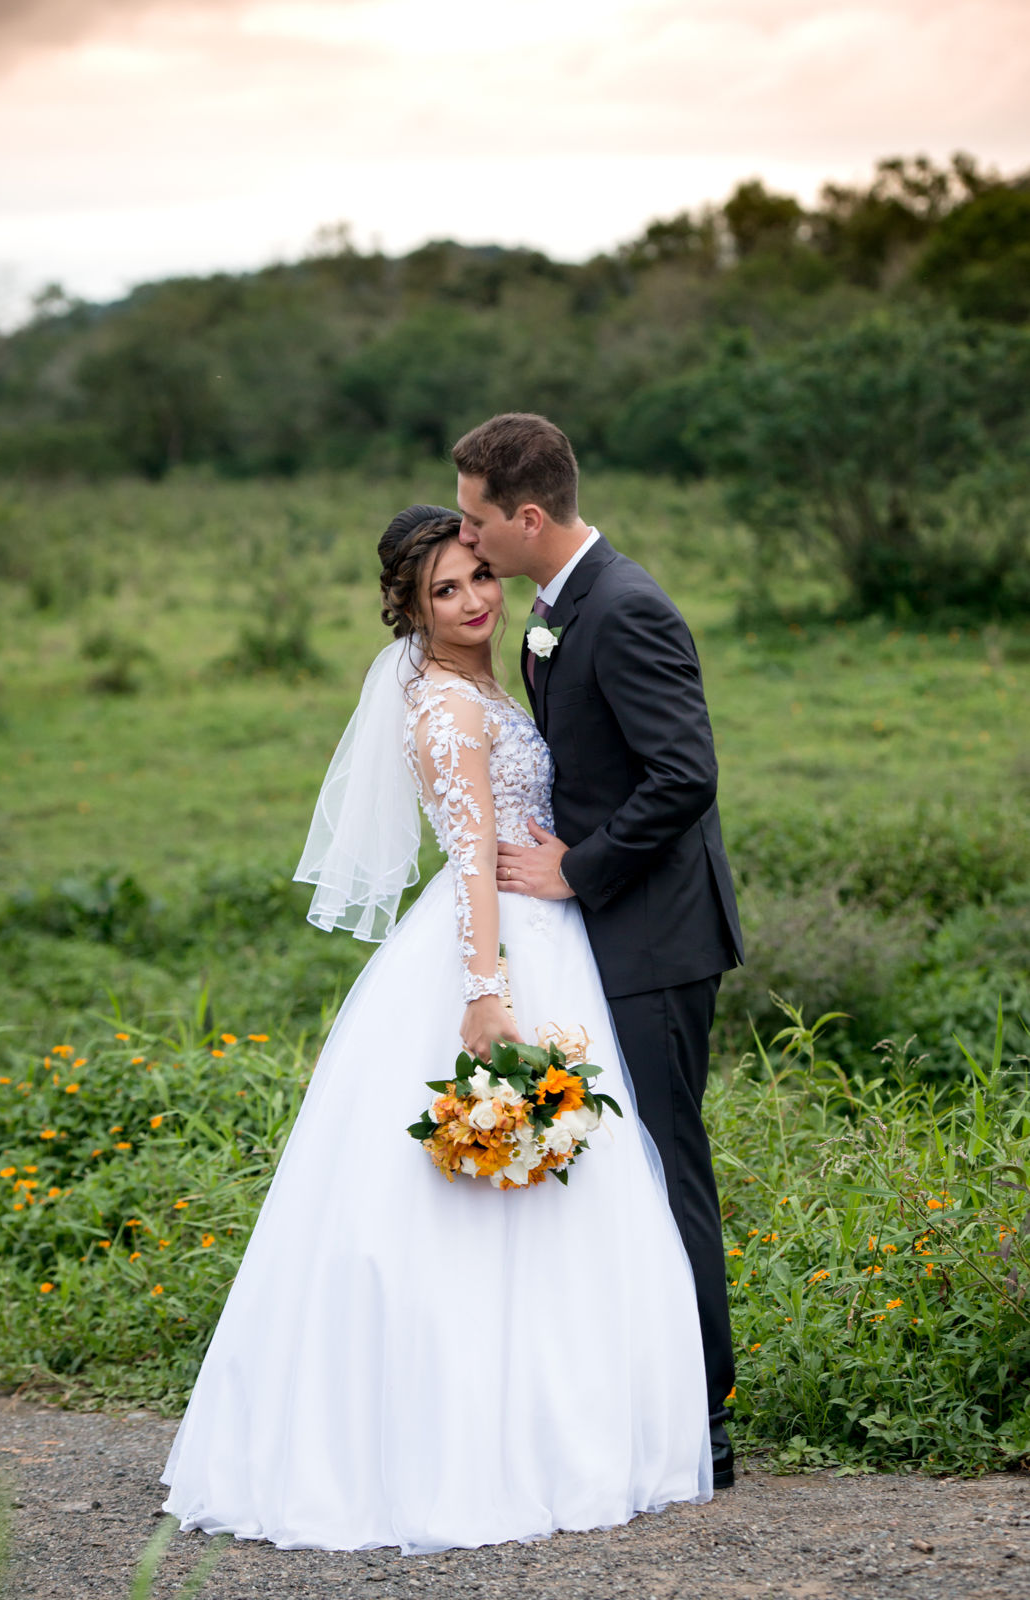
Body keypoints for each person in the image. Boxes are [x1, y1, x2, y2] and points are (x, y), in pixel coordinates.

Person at [160, 504, 712, 1553]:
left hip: (547, 927)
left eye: (476, 579)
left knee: (568, 1183)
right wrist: (485, 988)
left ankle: (568, 1415)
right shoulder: (446, 710)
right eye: (443, 593)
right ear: (409, 611)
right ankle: (467, 1439)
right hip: (495, 948)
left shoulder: (487, 680)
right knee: (481, 1191)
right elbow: (468, 862)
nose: (471, 603)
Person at [454, 415, 744, 1488]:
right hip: (602, 936)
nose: (470, 539)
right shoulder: (557, 606)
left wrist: (579, 868)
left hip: (657, 937)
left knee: (670, 1173)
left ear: (528, 517)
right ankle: (640, 1398)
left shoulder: (625, 609)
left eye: (479, 520)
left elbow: (686, 774)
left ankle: (707, 1419)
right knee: (630, 1170)